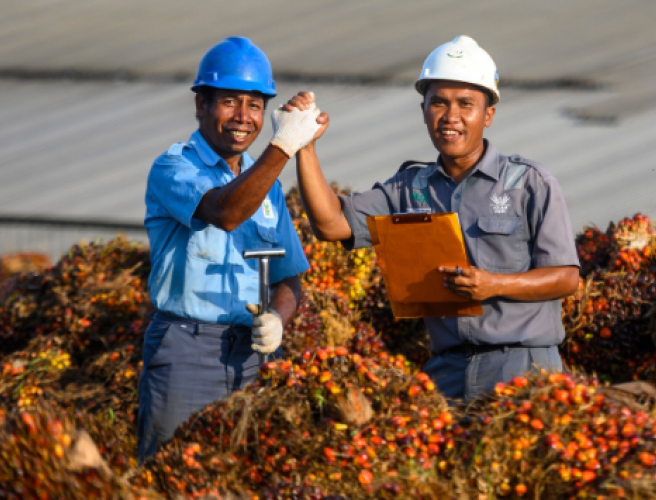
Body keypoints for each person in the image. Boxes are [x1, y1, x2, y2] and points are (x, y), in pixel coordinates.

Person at [291, 36, 580, 402]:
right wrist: (303, 145)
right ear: (424, 109)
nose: (451, 117)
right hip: (447, 372)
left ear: (488, 114)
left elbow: (567, 277)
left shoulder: (529, 184)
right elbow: (331, 224)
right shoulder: (408, 189)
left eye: (466, 104)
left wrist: (496, 284)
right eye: (438, 103)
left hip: (524, 368)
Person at [138, 37, 320, 462]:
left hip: (252, 356)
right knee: (171, 472)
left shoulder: (268, 188)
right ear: (201, 105)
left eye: (255, 106)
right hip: (186, 348)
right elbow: (225, 211)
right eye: (229, 102)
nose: (243, 118)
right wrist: (281, 148)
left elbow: (289, 274)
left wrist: (278, 316)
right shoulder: (175, 167)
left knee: (244, 476)